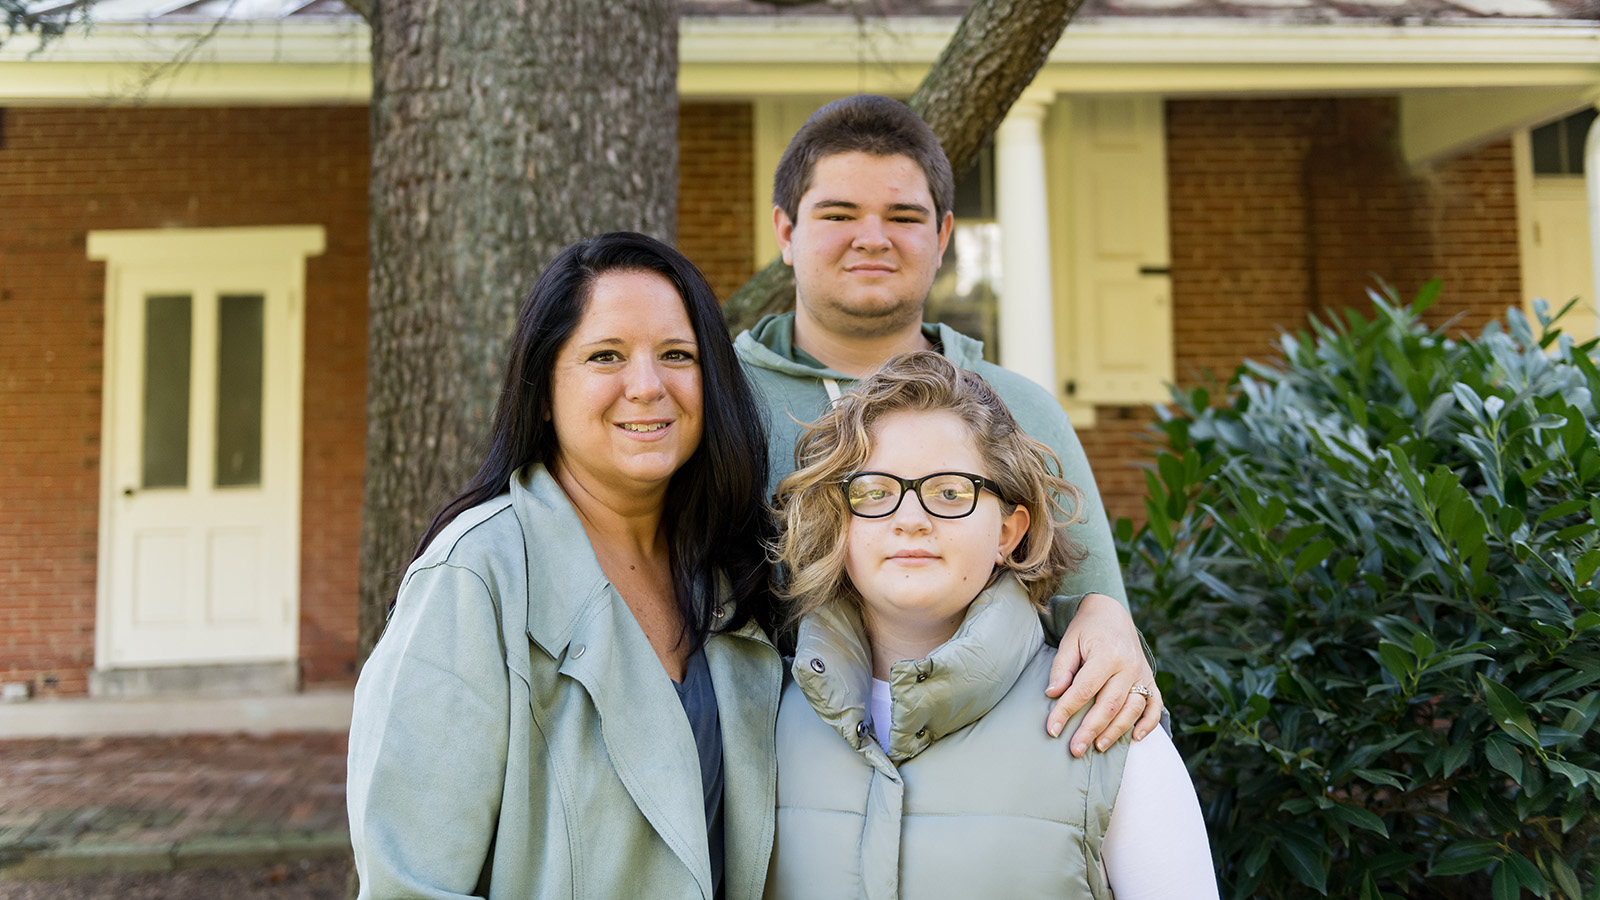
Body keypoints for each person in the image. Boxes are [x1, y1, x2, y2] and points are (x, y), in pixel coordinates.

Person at [347, 232, 781, 899]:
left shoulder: (732, 571)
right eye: (606, 355)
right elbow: (410, 883)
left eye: (677, 355)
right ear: (545, 390)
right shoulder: (474, 578)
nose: (647, 386)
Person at [735, 94, 1160, 755]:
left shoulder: (1023, 410)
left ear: (941, 238)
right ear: (786, 233)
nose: (872, 237)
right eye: (839, 213)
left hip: (985, 771)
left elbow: (1091, 608)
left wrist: (1107, 622)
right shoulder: (714, 402)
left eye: (903, 216)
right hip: (762, 784)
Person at [765, 351, 1217, 899]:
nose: (910, 519)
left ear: (1008, 531)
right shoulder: (764, 721)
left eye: (950, 492)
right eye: (875, 491)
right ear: (840, 522)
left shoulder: (1108, 727)